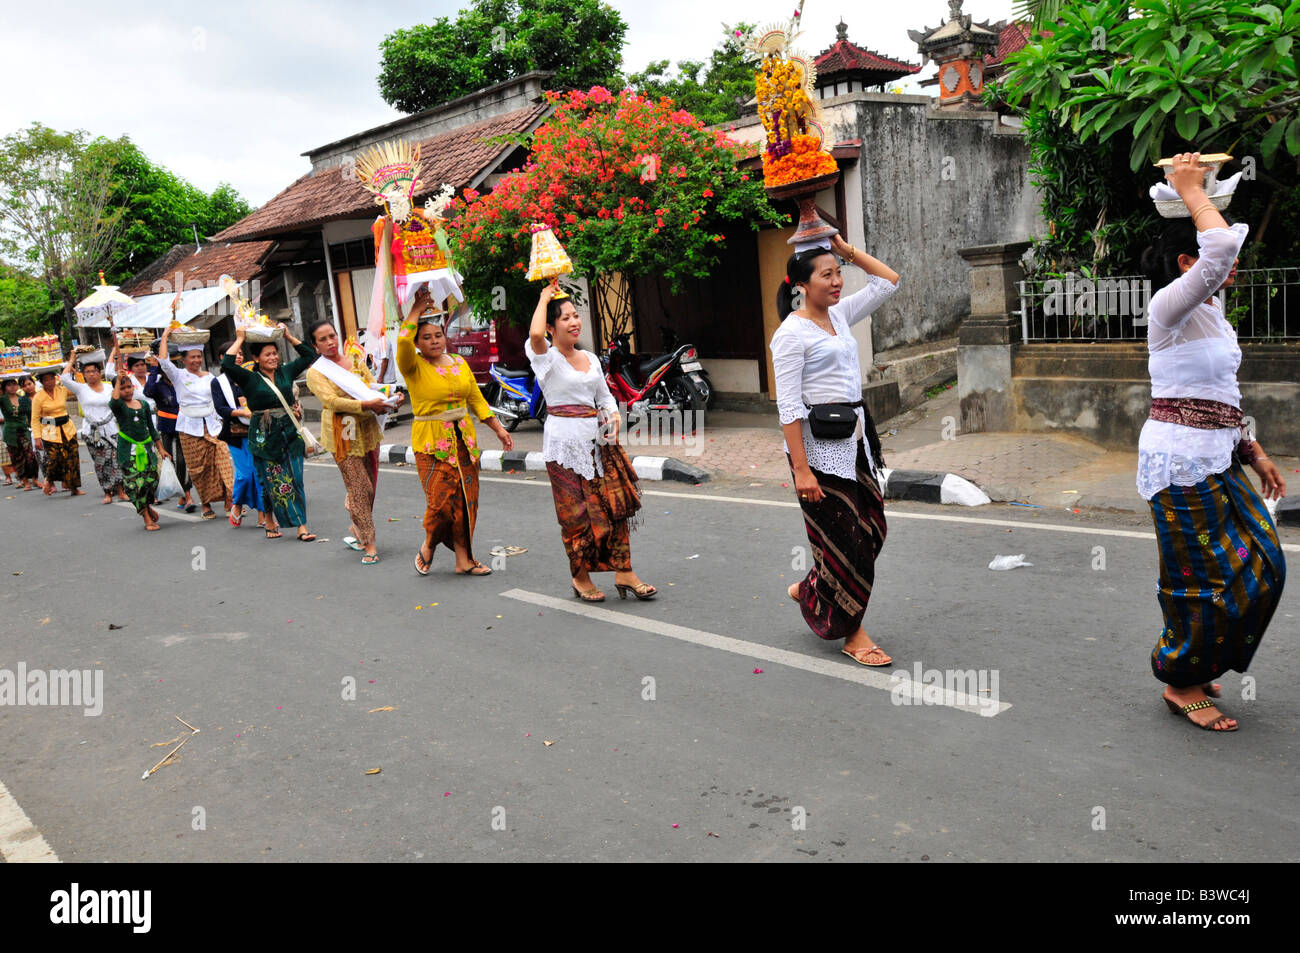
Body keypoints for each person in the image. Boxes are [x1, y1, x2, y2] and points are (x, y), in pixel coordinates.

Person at [1137, 151, 1287, 732]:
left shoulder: (1213, 314)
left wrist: (1255, 451)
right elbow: (1220, 248)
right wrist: (1189, 188)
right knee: (1199, 578)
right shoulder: (1167, 307)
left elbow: (1223, 392)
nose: (1232, 264)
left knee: (1264, 563)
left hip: (1219, 455)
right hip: (1178, 461)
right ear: (1185, 261)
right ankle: (1181, 680)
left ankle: (1200, 658)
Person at [769, 233, 900, 666]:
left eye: (839, 272)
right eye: (827, 274)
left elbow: (888, 282)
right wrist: (802, 471)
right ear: (801, 285)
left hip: (857, 441)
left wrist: (845, 249)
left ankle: (812, 587)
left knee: (874, 530)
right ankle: (853, 633)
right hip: (818, 452)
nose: (838, 280)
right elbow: (788, 407)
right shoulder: (790, 335)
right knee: (846, 543)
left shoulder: (840, 316)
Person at [527, 283, 653, 602]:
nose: (574, 322)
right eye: (565, 318)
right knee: (575, 516)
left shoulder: (591, 359)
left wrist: (614, 417)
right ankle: (580, 577)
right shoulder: (546, 359)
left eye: (575, 315)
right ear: (552, 326)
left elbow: (605, 397)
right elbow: (535, 337)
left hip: (598, 447)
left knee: (614, 508)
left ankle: (624, 570)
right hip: (563, 449)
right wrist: (544, 297)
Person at [399, 294, 511, 577]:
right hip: (431, 441)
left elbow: (476, 400)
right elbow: (402, 342)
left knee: (465, 501)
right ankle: (428, 543)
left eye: (438, 335)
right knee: (439, 503)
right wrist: (415, 310)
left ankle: (464, 560)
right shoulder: (413, 366)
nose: (434, 341)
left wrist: (498, 429)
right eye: (426, 337)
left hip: (464, 441)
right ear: (417, 343)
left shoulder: (460, 363)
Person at [305, 320, 406, 565]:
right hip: (343, 433)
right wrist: (365, 404)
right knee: (360, 488)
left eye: (332, 336)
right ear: (315, 345)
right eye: (323, 339)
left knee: (368, 486)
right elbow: (332, 401)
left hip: (368, 427)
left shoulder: (355, 360)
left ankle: (356, 518)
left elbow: (372, 386)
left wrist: (392, 396)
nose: (330, 342)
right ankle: (369, 543)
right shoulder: (316, 373)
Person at [221, 325, 319, 541]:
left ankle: (301, 525)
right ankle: (269, 519)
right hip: (264, 437)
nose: (273, 357)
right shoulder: (249, 378)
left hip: (290, 434)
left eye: (275, 353)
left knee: (295, 479)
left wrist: (288, 335)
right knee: (269, 480)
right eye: (267, 354)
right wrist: (239, 339)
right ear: (256, 357)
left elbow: (310, 354)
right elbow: (226, 364)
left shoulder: (286, 372)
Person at [155, 327, 234, 520]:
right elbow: (164, 361)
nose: (197, 360)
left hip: (214, 426)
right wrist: (164, 336)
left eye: (199, 356)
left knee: (223, 460)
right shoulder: (179, 376)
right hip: (189, 428)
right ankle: (206, 503)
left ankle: (230, 501)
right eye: (192, 357)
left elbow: (220, 399)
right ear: (183, 359)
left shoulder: (210, 377)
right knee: (199, 469)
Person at [59, 347, 127, 505]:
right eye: (88, 371)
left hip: (111, 428)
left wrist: (121, 375)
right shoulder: (81, 389)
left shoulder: (110, 387)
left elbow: (120, 395)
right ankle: (107, 492)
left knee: (117, 460)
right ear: (83, 374)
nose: (91, 374)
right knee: (101, 462)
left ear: (99, 372)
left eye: (94, 371)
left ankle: (121, 490)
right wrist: (72, 359)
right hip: (93, 431)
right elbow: (64, 379)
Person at [211, 342, 264, 529]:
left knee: (259, 473)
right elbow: (220, 409)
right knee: (245, 475)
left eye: (241, 353)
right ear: (222, 358)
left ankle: (262, 514)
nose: (239, 356)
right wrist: (241, 413)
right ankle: (238, 503)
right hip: (234, 433)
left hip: (256, 431)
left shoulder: (251, 376)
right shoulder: (218, 382)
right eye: (234, 353)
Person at [109, 371, 169, 531]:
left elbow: (151, 428)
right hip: (128, 453)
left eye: (129, 387)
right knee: (135, 485)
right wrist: (118, 380)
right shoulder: (119, 406)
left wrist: (161, 449)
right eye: (123, 388)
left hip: (147, 450)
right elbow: (113, 402)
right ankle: (147, 518)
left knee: (150, 482)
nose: (127, 391)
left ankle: (147, 507)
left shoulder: (143, 405)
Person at [145, 343, 196, 512]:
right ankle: (184, 494)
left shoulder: (184, 379)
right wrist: (153, 369)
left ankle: (186, 494)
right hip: (167, 428)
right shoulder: (158, 385)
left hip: (186, 425)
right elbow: (147, 391)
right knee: (173, 460)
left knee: (185, 460)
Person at [29, 367, 84, 496]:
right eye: (46, 380)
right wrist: (37, 437)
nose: (49, 382)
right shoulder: (38, 397)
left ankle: (74, 488)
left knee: (72, 458)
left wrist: (77, 373)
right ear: (42, 382)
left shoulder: (62, 390)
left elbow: (80, 388)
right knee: (54, 458)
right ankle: (49, 480)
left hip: (67, 428)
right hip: (49, 429)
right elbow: (35, 419)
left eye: (51, 379)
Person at [2, 376, 38, 490]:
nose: (12, 387)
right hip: (10, 432)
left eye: (14, 384)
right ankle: (25, 481)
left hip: (24, 429)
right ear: (5, 388)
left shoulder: (22, 398)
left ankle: (35, 479)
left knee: (30, 455)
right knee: (17, 458)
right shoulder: (2, 399)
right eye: (9, 385)